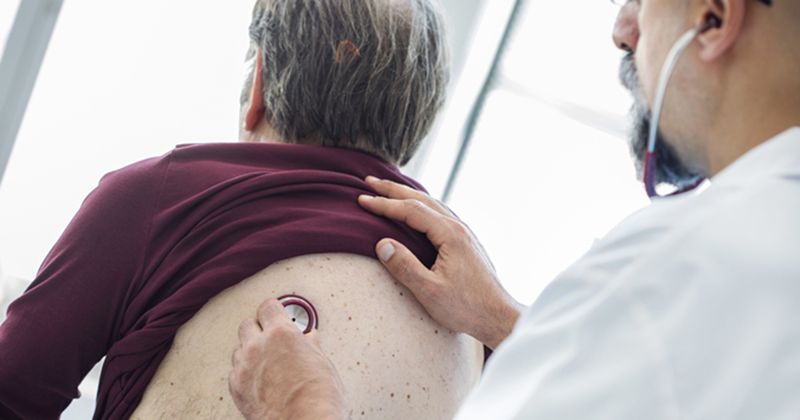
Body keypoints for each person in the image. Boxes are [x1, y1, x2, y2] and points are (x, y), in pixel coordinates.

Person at [229, 0, 800, 418]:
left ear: (715, 18)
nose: (623, 30)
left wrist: (300, 408)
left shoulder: (669, 274)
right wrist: (503, 318)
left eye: (641, 2)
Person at [0, 1, 487, 419]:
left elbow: (11, 397)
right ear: (415, 118)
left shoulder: (159, 197)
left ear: (258, 87)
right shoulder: (471, 284)